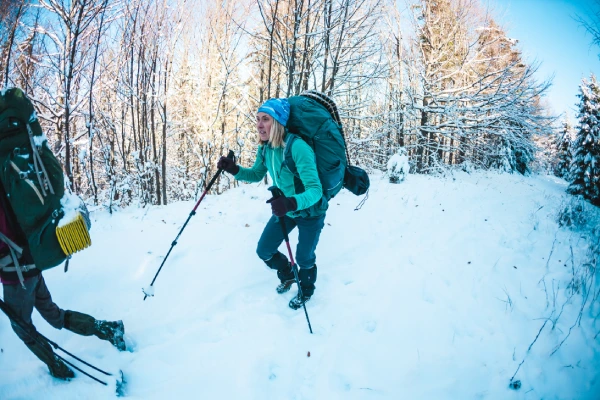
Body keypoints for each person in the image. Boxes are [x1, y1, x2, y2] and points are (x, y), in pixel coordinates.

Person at [0, 184, 126, 380]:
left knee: (22, 328)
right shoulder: (9, 186)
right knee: (52, 313)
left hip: (17, 276)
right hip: (31, 264)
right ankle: (107, 329)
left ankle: (56, 366)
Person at [217, 98, 327, 310]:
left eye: (265, 119)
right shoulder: (266, 149)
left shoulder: (298, 148)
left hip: (310, 211)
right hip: (286, 208)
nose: (259, 124)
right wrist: (233, 169)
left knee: (305, 256)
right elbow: (257, 174)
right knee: (264, 250)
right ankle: (288, 274)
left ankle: (306, 289)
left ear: (278, 122)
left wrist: (290, 203)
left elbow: (315, 190)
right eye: (257, 119)